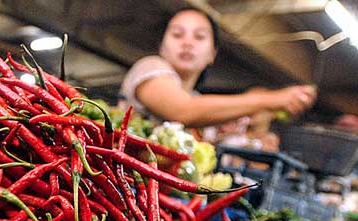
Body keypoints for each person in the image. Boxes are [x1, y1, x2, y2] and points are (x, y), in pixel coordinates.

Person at [119, 7, 317, 131]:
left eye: (199, 37)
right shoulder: (148, 67)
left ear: (212, 54)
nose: (187, 42)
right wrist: (270, 99)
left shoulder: (197, 99)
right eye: (177, 34)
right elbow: (182, 110)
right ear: (162, 47)